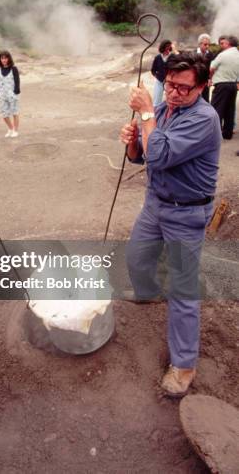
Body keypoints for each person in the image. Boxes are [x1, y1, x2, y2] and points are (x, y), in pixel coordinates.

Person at [120, 53, 221, 398]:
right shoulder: (165, 110)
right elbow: (143, 156)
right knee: (135, 258)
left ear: (203, 86)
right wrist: (133, 139)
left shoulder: (205, 119)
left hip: (186, 213)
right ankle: (148, 293)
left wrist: (147, 112)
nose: (175, 93)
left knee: (182, 289)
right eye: (170, 85)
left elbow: (161, 156)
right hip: (156, 203)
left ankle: (184, 364)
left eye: (184, 88)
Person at [210, 35, 239, 140]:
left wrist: (209, 78)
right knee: (230, 110)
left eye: (223, 43)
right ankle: (227, 133)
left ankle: (214, 134)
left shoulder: (223, 55)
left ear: (229, 43)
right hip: (233, 85)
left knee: (217, 109)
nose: (221, 45)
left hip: (221, 84)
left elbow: (212, 68)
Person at [0, 50, 20, 138]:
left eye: (6, 58)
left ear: (9, 58)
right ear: (0, 59)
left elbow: (17, 81)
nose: (4, 60)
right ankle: (10, 128)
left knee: (15, 113)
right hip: (2, 95)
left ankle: (15, 130)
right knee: (4, 114)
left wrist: (16, 92)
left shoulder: (14, 68)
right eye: (2, 58)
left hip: (12, 94)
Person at [150, 40, 173, 106]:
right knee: (156, 101)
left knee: (171, 100)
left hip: (170, 82)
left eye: (169, 46)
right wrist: (157, 77)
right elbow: (153, 70)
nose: (168, 48)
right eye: (167, 46)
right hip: (159, 81)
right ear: (163, 47)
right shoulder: (157, 58)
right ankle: (156, 114)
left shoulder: (172, 57)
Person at [195, 33, 213, 102]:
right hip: (195, 80)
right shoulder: (193, 53)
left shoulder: (211, 55)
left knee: (205, 99)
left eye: (208, 44)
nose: (207, 46)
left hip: (205, 81)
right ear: (200, 44)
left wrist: (210, 78)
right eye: (205, 44)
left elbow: (211, 68)